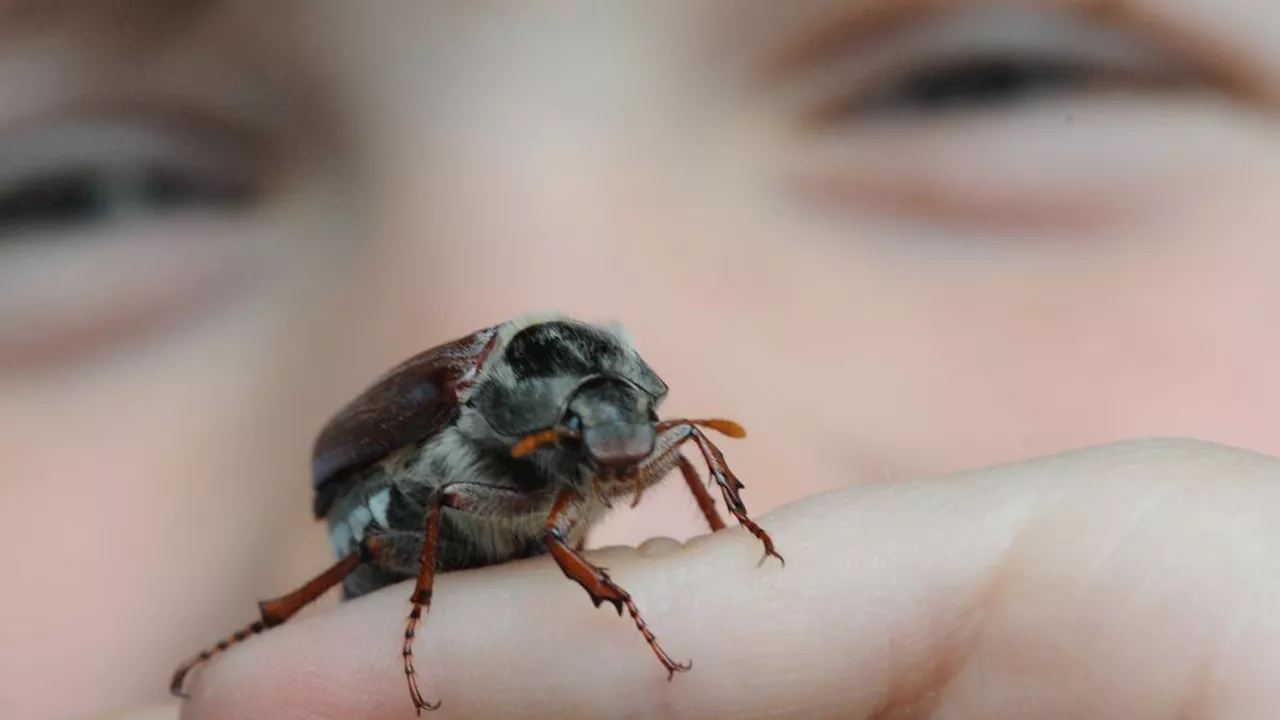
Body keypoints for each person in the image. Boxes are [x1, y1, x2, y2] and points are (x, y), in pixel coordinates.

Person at [4, 2, 1278, 718]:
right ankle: (267, 633)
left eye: (983, 84)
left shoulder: (632, 414)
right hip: (399, 504)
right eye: (82, 197)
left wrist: (739, 546)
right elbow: (427, 497)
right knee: (420, 508)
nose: (624, 458)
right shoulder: (477, 431)